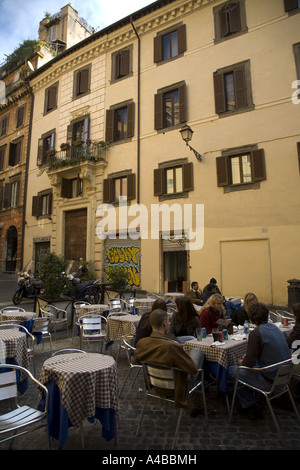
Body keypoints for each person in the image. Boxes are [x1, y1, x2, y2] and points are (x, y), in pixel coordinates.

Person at [228, 302, 291, 419]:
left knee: (232, 370)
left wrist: (240, 362)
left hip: (270, 380)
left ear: (251, 317)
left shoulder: (256, 333)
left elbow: (248, 363)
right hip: (284, 376)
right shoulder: (275, 328)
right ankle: (254, 399)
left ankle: (248, 404)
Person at [135, 308, 205, 411]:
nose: (169, 324)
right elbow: (193, 369)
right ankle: (197, 402)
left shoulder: (142, 343)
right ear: (164, 323)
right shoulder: (170, 347)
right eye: (168, 321)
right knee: (197, 350)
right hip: (175, 386)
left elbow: (137, 360)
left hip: (154, 384)